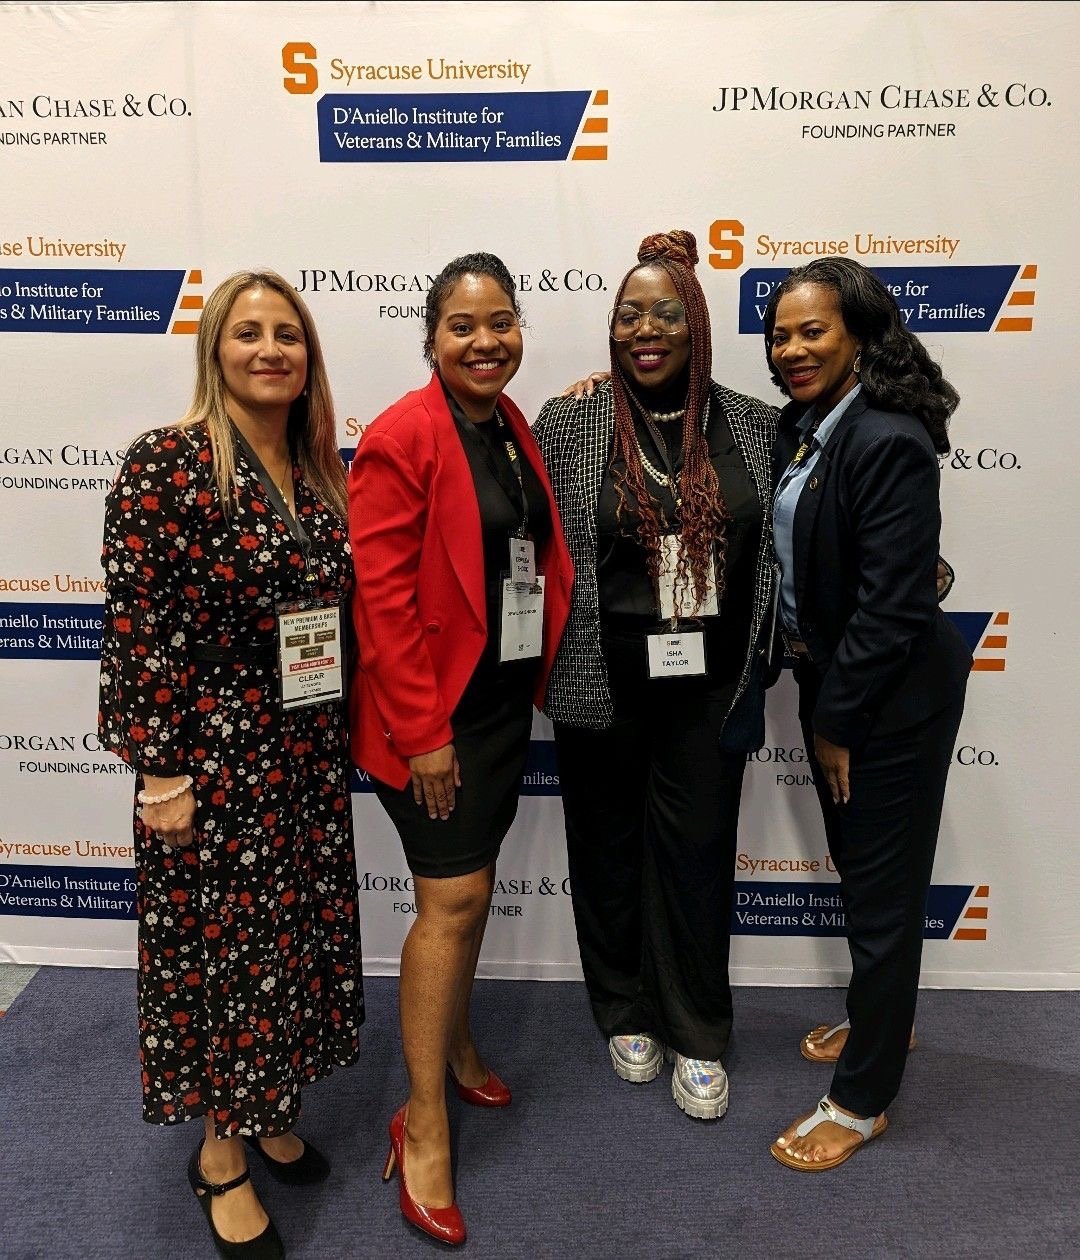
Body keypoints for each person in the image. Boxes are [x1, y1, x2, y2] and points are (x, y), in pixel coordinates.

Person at [98, 270, 364, 1260]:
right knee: (228, 958)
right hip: (211, 763)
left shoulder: (315, 466)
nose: (269, 350)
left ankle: (268, 1103)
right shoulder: (167, 465)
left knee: (287, 945)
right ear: (213, 349)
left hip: (297, 753)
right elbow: (140, 629)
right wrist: (160, 772)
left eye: (287, 334)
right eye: (247, 333)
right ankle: (220, 1152)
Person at [348, 252, 572, 1245]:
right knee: (450, 903)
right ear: (429, 336)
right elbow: (382, 604)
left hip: (498, 705)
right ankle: (422, 1123)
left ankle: (462, 1044)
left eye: (503, 323)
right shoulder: (404, 435)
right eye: (464, 327)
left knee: (470, 889)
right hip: (429, 719)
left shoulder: (508, 424)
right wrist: (424, 735)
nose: (487, 341)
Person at [533, 230, 777, 1121]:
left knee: (700, 853)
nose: (646, 328)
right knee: (603, 847)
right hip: (602, 678)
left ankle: (699, 1026)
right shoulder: (572, 423)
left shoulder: (752, 422)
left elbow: (781, 549)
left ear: (697, 324)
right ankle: (625, 1007)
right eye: (628, 313)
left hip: (711, 685)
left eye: (666, 312)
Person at [763, 256, 971, 1172]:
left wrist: (838, 720)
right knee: (864, 877)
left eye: (814, 331)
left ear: (858, 333)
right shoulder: (806, 425)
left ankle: (862, 1098)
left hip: (886, 700)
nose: (794, 347)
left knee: (881, 898)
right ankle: (877, 1021)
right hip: (837, 687)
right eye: (781, 334)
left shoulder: (886, 435)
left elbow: (891, 608)